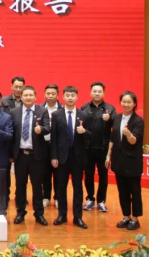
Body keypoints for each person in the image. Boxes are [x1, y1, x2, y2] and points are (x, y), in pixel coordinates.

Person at [51, 86, 91, 229]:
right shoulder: (56, 115)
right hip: (62, 157)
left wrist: (84, 131)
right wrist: (54, 156)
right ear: (62, 97)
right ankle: (62, 215)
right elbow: (54, 138)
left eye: (72, 95)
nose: (70, 98)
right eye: (67, 95)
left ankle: (78, 217)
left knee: (78, 188)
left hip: (77, 157)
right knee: (61, 187)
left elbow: (91, 135)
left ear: (77, 97)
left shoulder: (84, 115)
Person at [11, 86, 51, 225]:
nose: (28, 97)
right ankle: (20, 212)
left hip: (36, 156)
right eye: (25, 95)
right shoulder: (14, 112)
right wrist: (11, 154)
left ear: (35, 97)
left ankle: (39, 213)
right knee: (20, 186)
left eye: (31, 95)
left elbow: (48, 128)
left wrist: (42, 129)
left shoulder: (42, 111)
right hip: (20, 155)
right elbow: (12, 135)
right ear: (21, 97)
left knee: (37, 186)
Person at [106, 91, 144, 231]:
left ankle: (135, 218)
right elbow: (112, 138)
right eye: (124, 101)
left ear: (134, 104)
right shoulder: (117, 118)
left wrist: (128, 134)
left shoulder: (138, 121)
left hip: (132, 162)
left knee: (134, 191)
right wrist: (108, 156)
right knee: (122, 191)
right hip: (118, 161)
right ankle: (126, 216)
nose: (126, 104)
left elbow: (134, 141)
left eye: (129, 102)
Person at [81, 81, 116, 213]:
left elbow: (116, 127)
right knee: (88, 175)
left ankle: (101, 201)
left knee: (103, 176)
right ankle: (90, 198)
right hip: (88, 148)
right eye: (94, 91)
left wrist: (110, 119)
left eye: (99, 91)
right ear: (90, 93)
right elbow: (80, 126)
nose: (97, 93)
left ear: (103, 93)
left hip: (103, 149)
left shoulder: (110, 109)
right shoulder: (84, 108)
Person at [40, 84, 63, 208]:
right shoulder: (39, 109)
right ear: (44, 94)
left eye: (53, 93)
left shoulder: (62, 109)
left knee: (58, 174)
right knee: (45, 173)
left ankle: (58, 197)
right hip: (43, 145)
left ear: (57, 95)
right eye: (48, 93)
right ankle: (46, 197)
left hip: (58, 146)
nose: (50, 96)